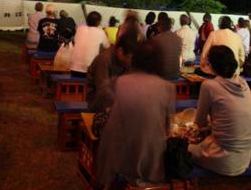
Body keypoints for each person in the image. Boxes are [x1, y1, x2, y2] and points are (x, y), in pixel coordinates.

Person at [96, 41, 176, 188]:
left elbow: (104, 105)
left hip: (116, 155)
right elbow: (167, 128)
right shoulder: (168, 88)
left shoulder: (118, 82)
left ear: (134, 59)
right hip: (150, 161)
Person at [189, 45, 251, 176]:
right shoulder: (244, 85)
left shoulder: (209, 86)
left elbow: (199, 123)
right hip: (245, 157)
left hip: (224, 159)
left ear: (211, 65)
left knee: (183, 148)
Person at [86, 34, 136, 112]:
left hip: (116, 99)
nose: (130, 61)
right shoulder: (104, 59)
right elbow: (102, 89)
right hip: (97, 101)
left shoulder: (126, 62)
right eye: (129, 58)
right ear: (120, 51)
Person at [69, 11, 110, 76]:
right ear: (98, 22)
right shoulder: (101, 32)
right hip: (89, 71)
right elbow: (108, 48)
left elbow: (75, 41)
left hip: (73, 69)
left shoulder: (79, 29)